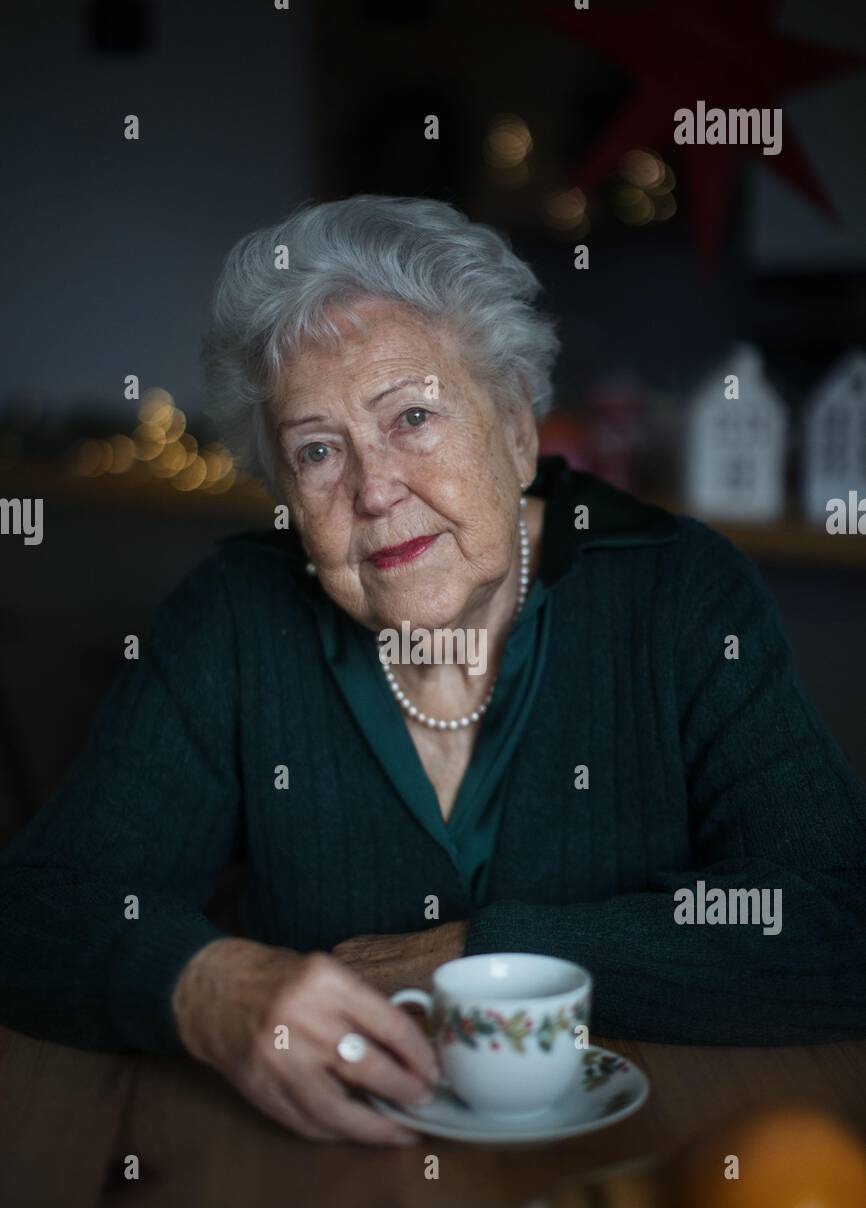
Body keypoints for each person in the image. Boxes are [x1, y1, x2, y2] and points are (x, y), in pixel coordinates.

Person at [2, 195, 865, 1145]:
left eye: (412, 416)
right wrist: (204, 986)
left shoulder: (681, 595)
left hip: (641, 1159)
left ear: (516, 433)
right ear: (286, 495)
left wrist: (478, 954)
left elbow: (840, 922)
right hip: (320, 1175)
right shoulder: (233, 620)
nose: (374, 491)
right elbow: (39, 911)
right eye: (318, 451)